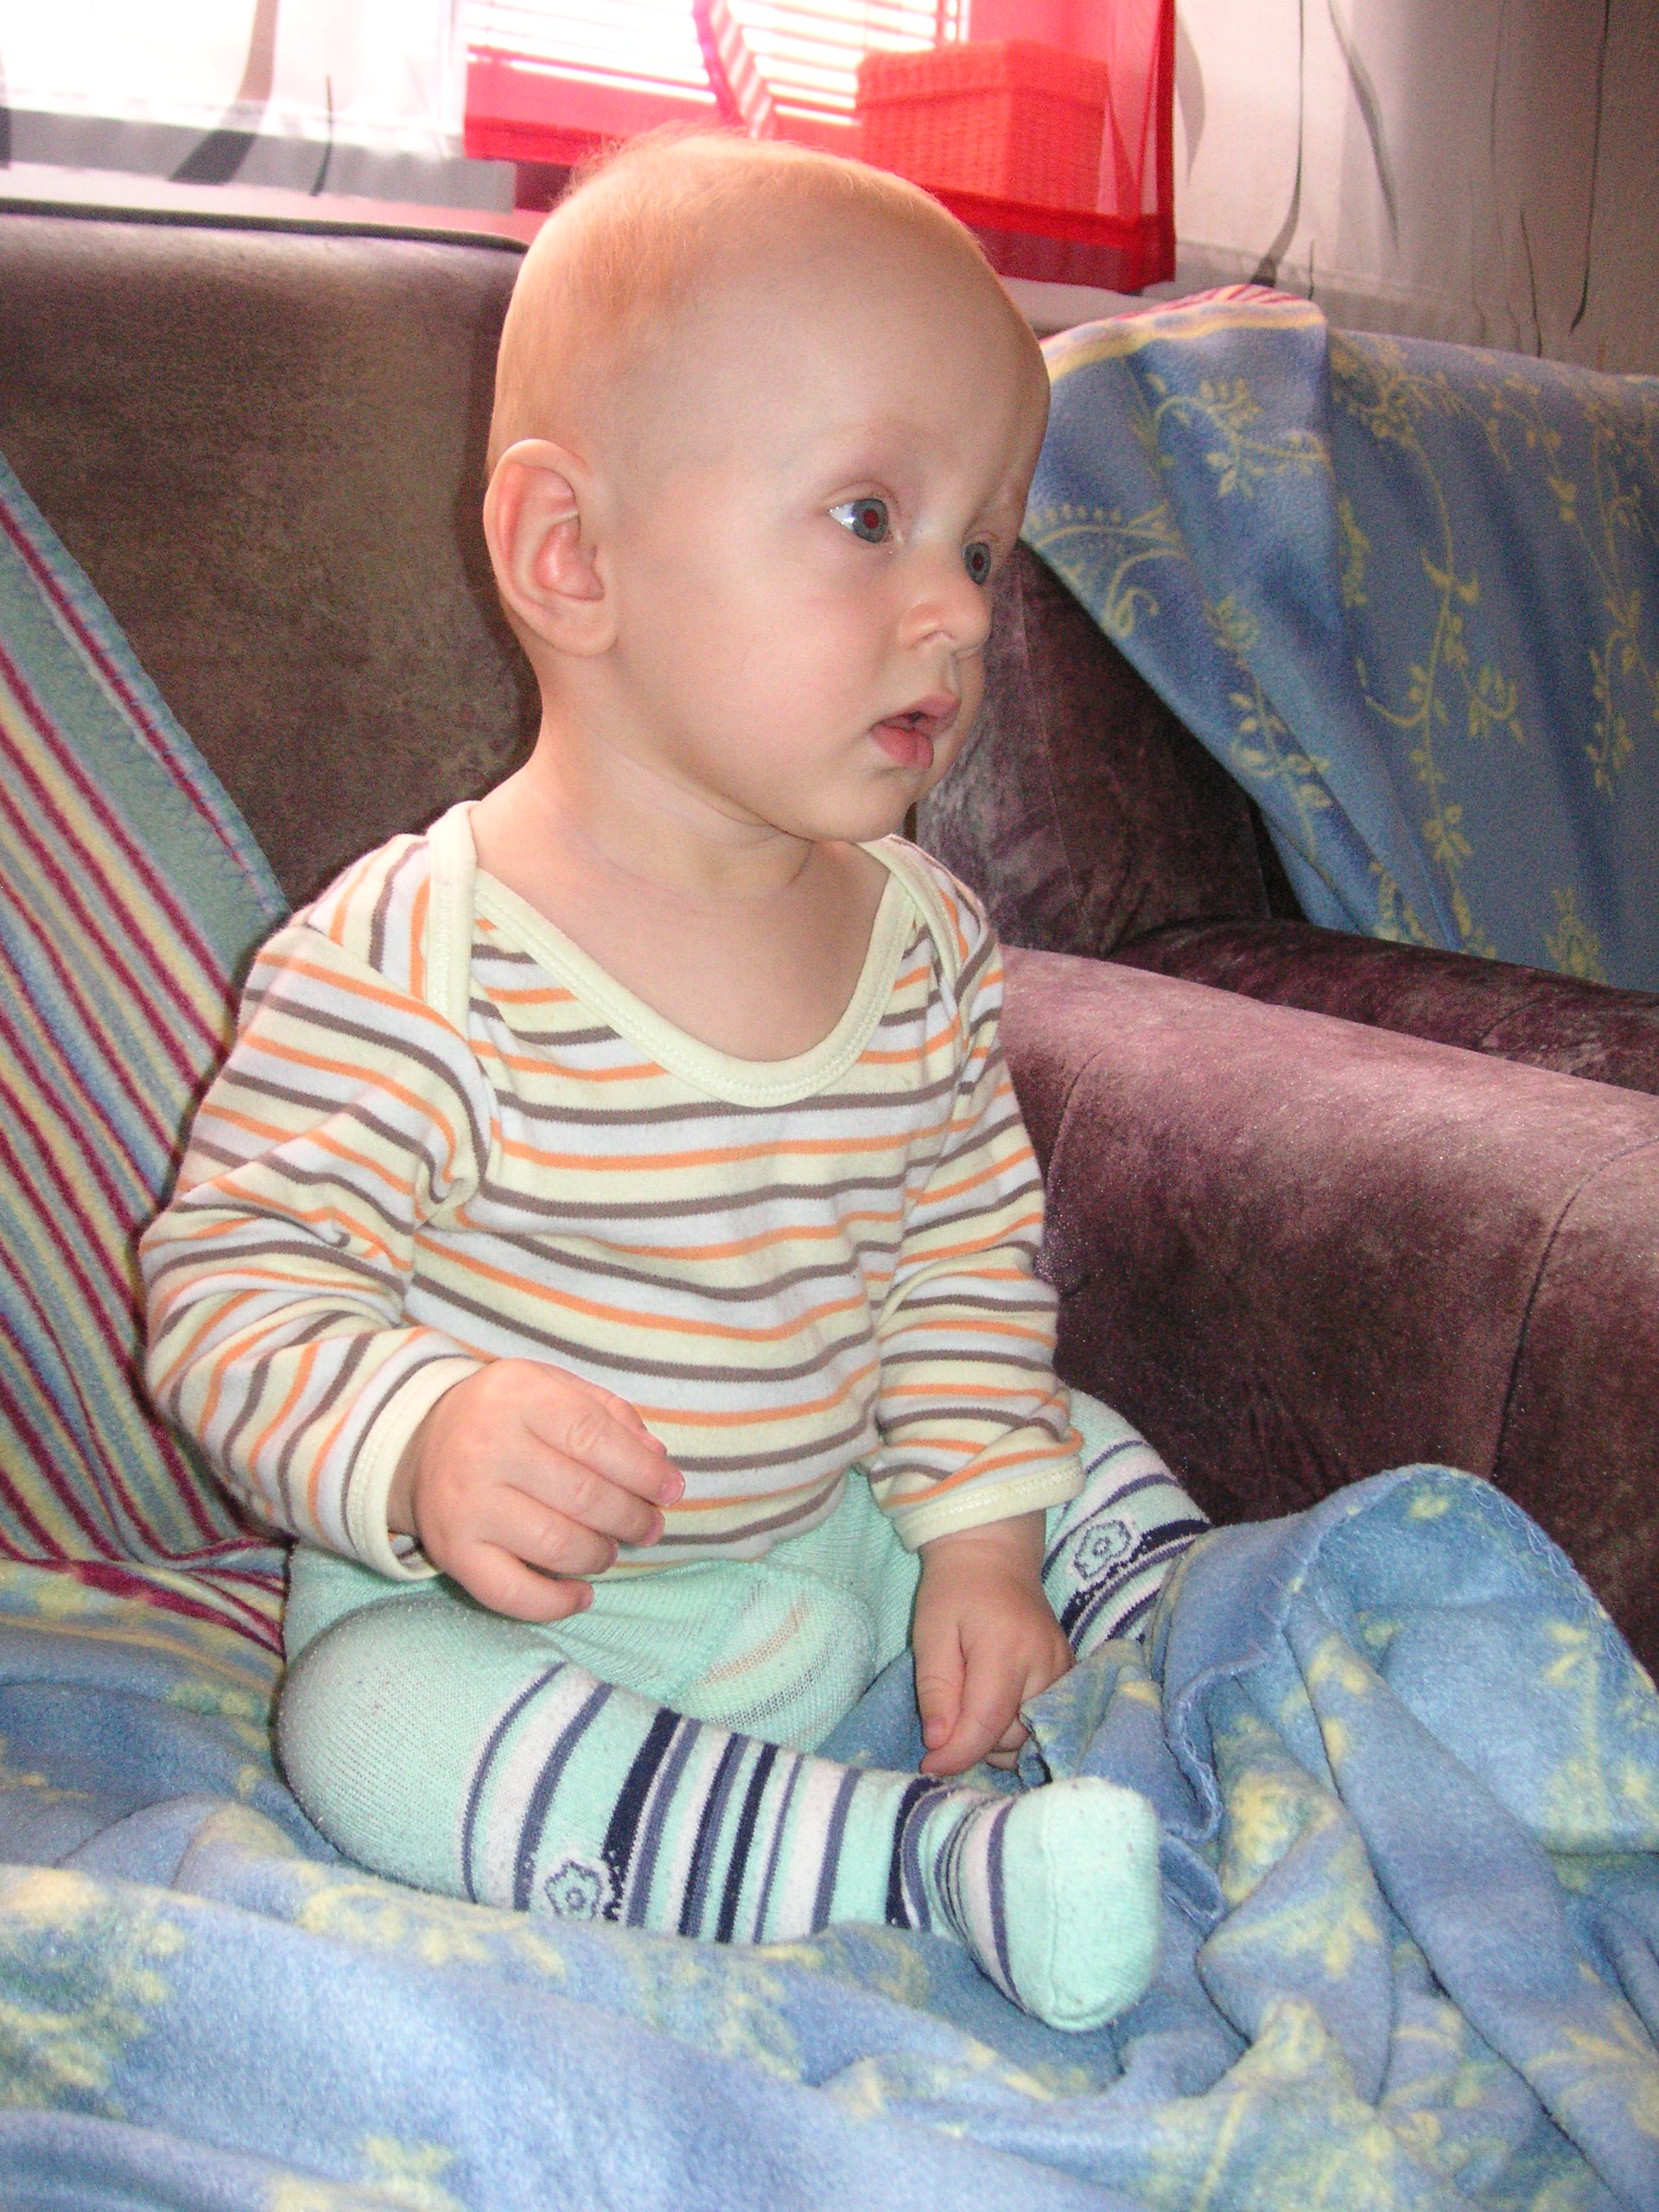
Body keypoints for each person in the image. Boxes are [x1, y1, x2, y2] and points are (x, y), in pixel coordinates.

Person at [141, 130, 1205, 2031]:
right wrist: (423, 1433)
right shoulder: (417, 953)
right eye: (871, 515)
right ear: (573, 555)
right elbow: (233, 1291)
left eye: (982, 544)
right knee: (362, 1726)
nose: (966, 611)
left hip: (834, 1540)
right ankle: (917, 1865)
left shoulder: (925, 943)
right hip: (519, 1619)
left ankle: (1212, 1669)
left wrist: (977, 1545)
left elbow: (961, 1276)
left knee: (1068, 1437)